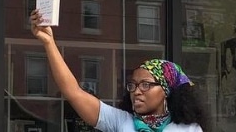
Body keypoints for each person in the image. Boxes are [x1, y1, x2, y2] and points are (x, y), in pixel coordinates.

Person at [30, 9, 211, 132]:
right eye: (133, 85)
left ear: (166, 90)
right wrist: (49, 43)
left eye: (146, 85)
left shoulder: (189, 129)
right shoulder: (122, 121)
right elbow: (74, 92)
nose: (136, 91)